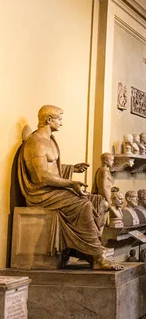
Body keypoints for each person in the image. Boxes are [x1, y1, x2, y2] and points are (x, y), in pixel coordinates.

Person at [18, 105, 122, 271]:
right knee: (84, 205)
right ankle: (96, 257)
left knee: (99, 202)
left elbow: (52, 168)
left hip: (54, 190)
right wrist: (70, 183)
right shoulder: (36, 143)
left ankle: (91, 249)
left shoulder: (50, 140)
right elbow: (41, 176)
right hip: (42, 194)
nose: (62, 123)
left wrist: (72, 169)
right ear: (49, 120)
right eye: (59, 119)